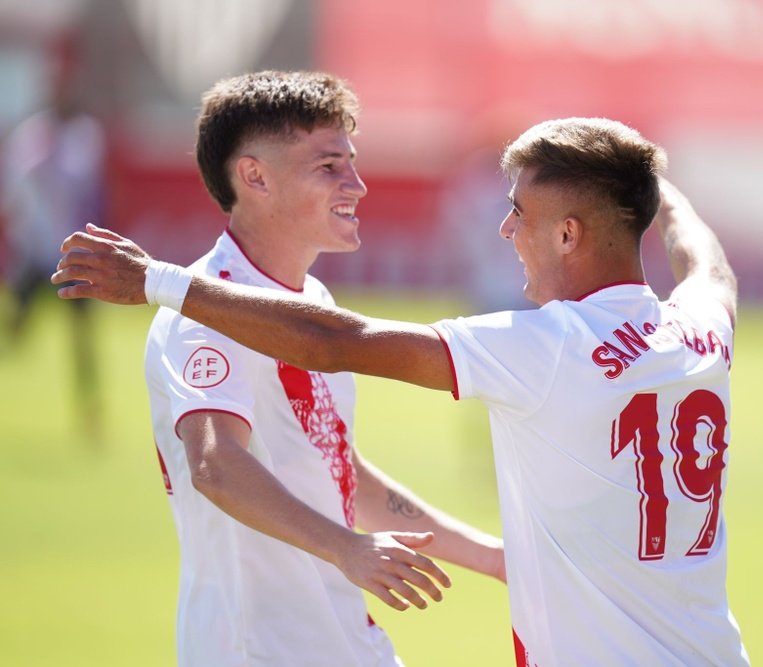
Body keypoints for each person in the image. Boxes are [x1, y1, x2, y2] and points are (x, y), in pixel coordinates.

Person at [54, 117, 750, 665]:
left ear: (569, 233)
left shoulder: (543, 346)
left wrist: (158, 282)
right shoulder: (700, 325)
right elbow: (708, 261)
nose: (505, 230)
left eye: (521, 214)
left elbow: (338, 341)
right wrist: (661, 187)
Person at [58, 70, 506, 667]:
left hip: (346, 642)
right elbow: (216, 465)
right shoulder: (204, 312)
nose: (359, 185)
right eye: (329, 166)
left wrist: (494, 558)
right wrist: (347, 548)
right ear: (254, 176)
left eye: (352, 161)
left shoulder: (311, 300)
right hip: (259, 650)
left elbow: (338, 468)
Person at [1, 62, 106, 443]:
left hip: (71, 251)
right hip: (36, 248)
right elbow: (15, 191)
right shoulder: (31, 136)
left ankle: (90, 412)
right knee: (16, 326)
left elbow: (86, 185)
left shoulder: (84, 136)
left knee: (81, 336)